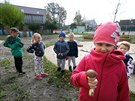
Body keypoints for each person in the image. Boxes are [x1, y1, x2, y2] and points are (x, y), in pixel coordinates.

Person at [70, 22, 129, 101]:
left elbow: (123, 90)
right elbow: (73, 78)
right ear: (95, 43)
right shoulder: (87, 59)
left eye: (108, 45)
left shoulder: (120, 65)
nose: (103, 49)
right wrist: (84, 78)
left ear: (114, 46)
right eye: (100, 44)